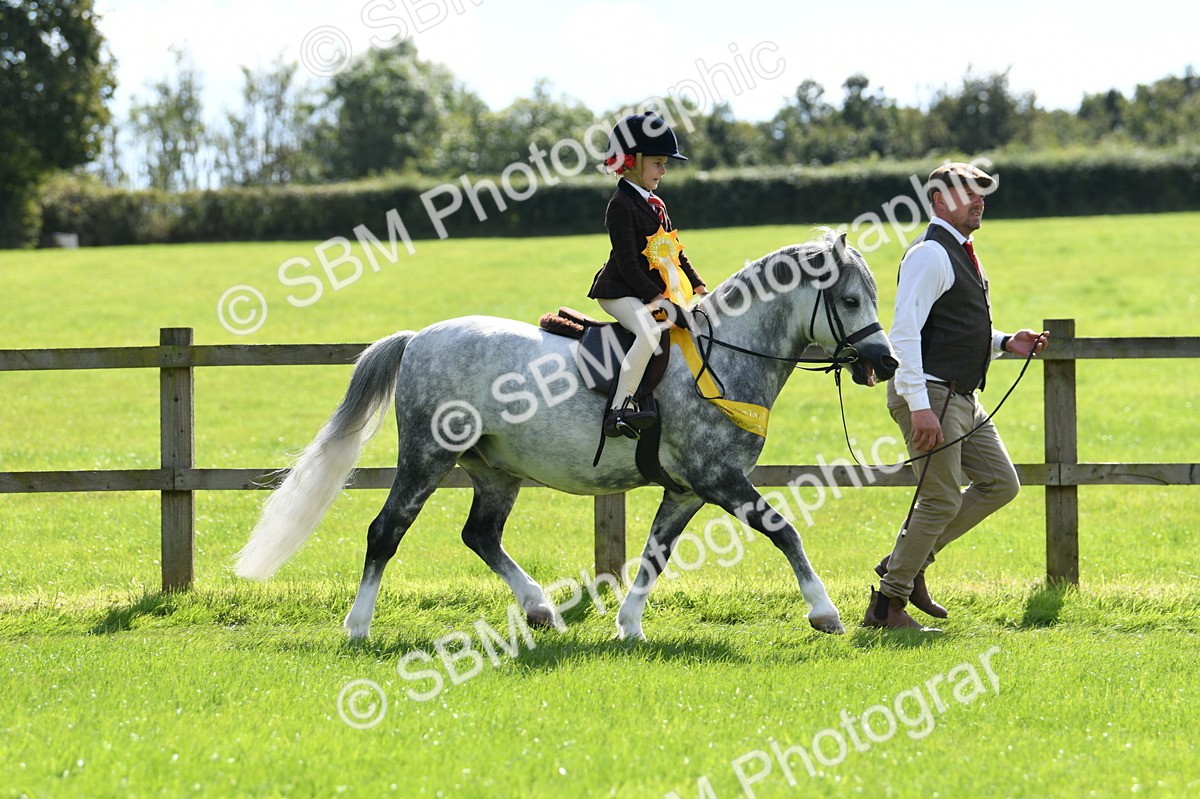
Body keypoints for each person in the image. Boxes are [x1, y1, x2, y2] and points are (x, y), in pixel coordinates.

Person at [864, 162, 1049, 631]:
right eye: (970, 192)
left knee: (1001, 483)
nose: (980, 200)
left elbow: (951, 328)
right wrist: (919, 407)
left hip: (960, 396)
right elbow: (903, 334)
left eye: (983, 192)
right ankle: (888, 605)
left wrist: (1006, 342)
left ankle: (907, 563)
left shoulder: (961, 251)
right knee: (941, 499)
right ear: (940, 200)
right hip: (931, 394)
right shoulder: (930, 254)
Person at [587, 112, 707, 439]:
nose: (664, 171)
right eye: (658, 163)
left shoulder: (657, 204)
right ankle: (619, 409)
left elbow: (675, 251)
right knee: (650, 331)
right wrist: (659, 300)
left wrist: (698, 284)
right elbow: (627, 265)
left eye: (665, 163)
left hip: (647, 291)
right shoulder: (620, 205)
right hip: (619, 291)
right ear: (633, 162)